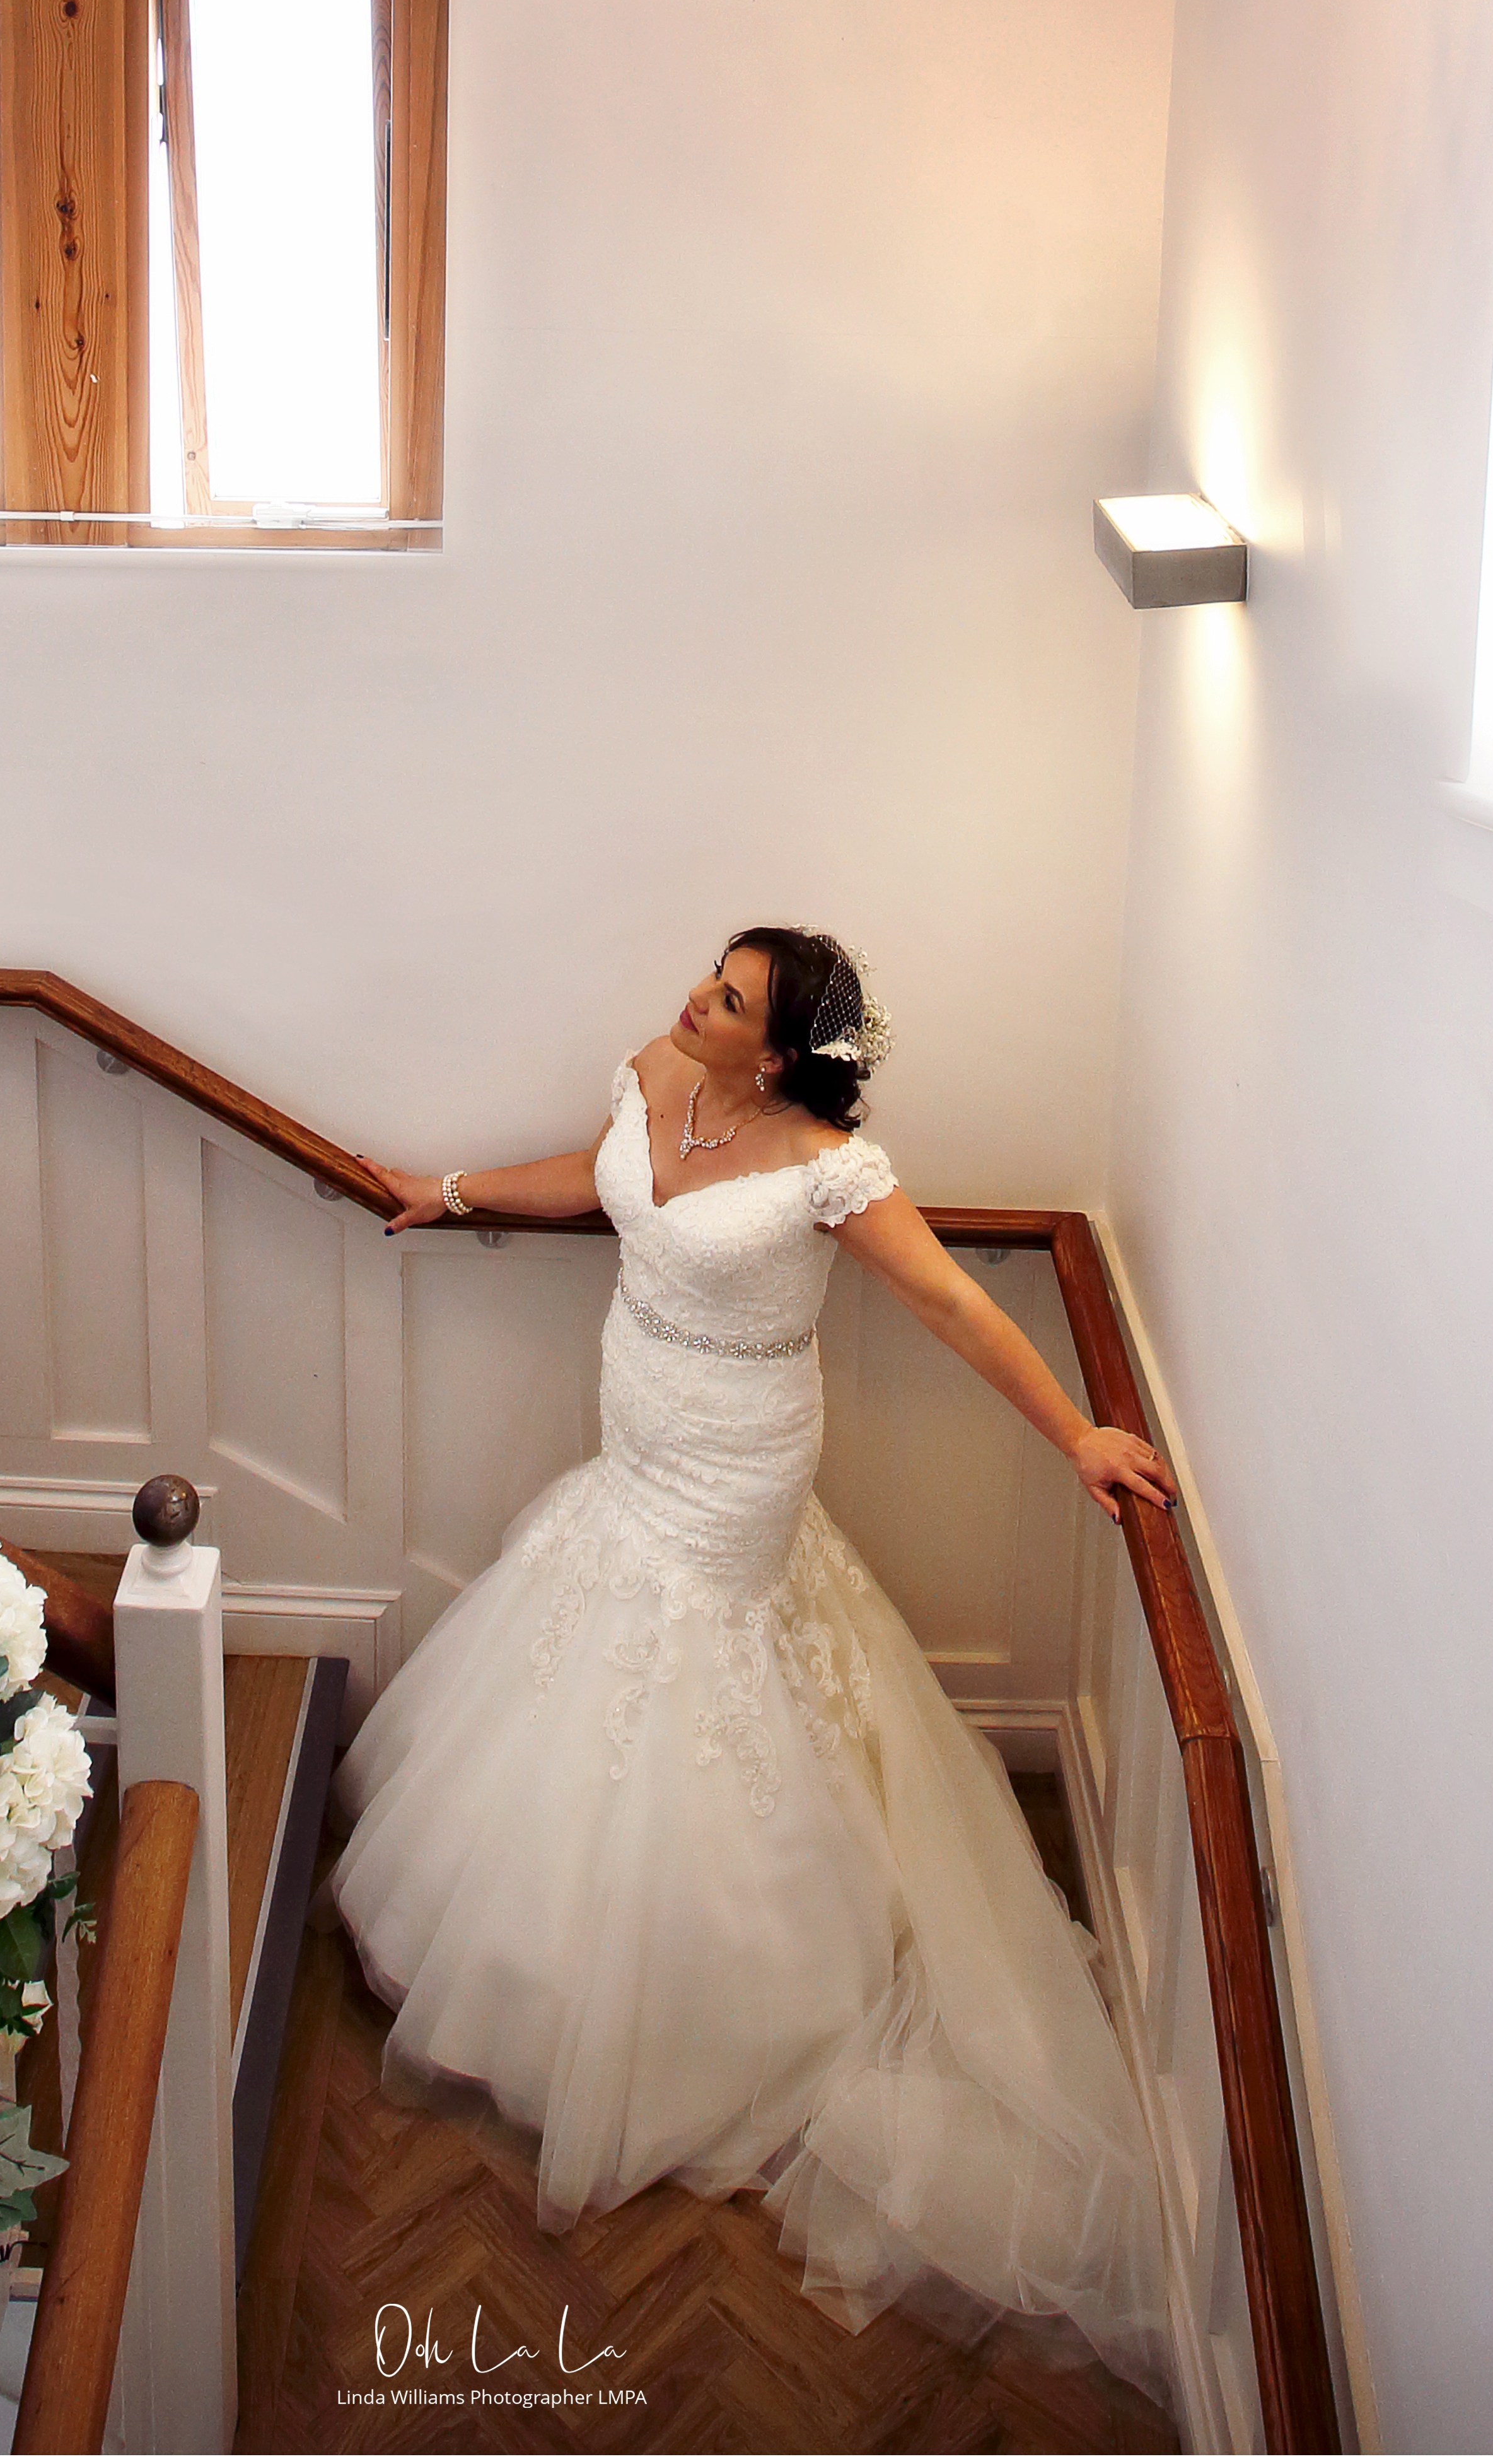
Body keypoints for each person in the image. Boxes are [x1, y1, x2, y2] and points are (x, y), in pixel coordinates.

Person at [330, 926, 1178, 2403]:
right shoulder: (662, 1070)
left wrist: (1082, 1436)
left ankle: (710, 2001)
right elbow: (593, 1173)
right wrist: (450, 1189)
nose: (693, 1000)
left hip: (737, 1456)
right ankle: (549, 1949)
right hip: (637, 1421)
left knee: (695, 1668)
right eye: (709, 978)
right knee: (589, 1635)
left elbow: (956, 1304)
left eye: (727, 999)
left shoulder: (831, 1164)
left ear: (778, 1054)